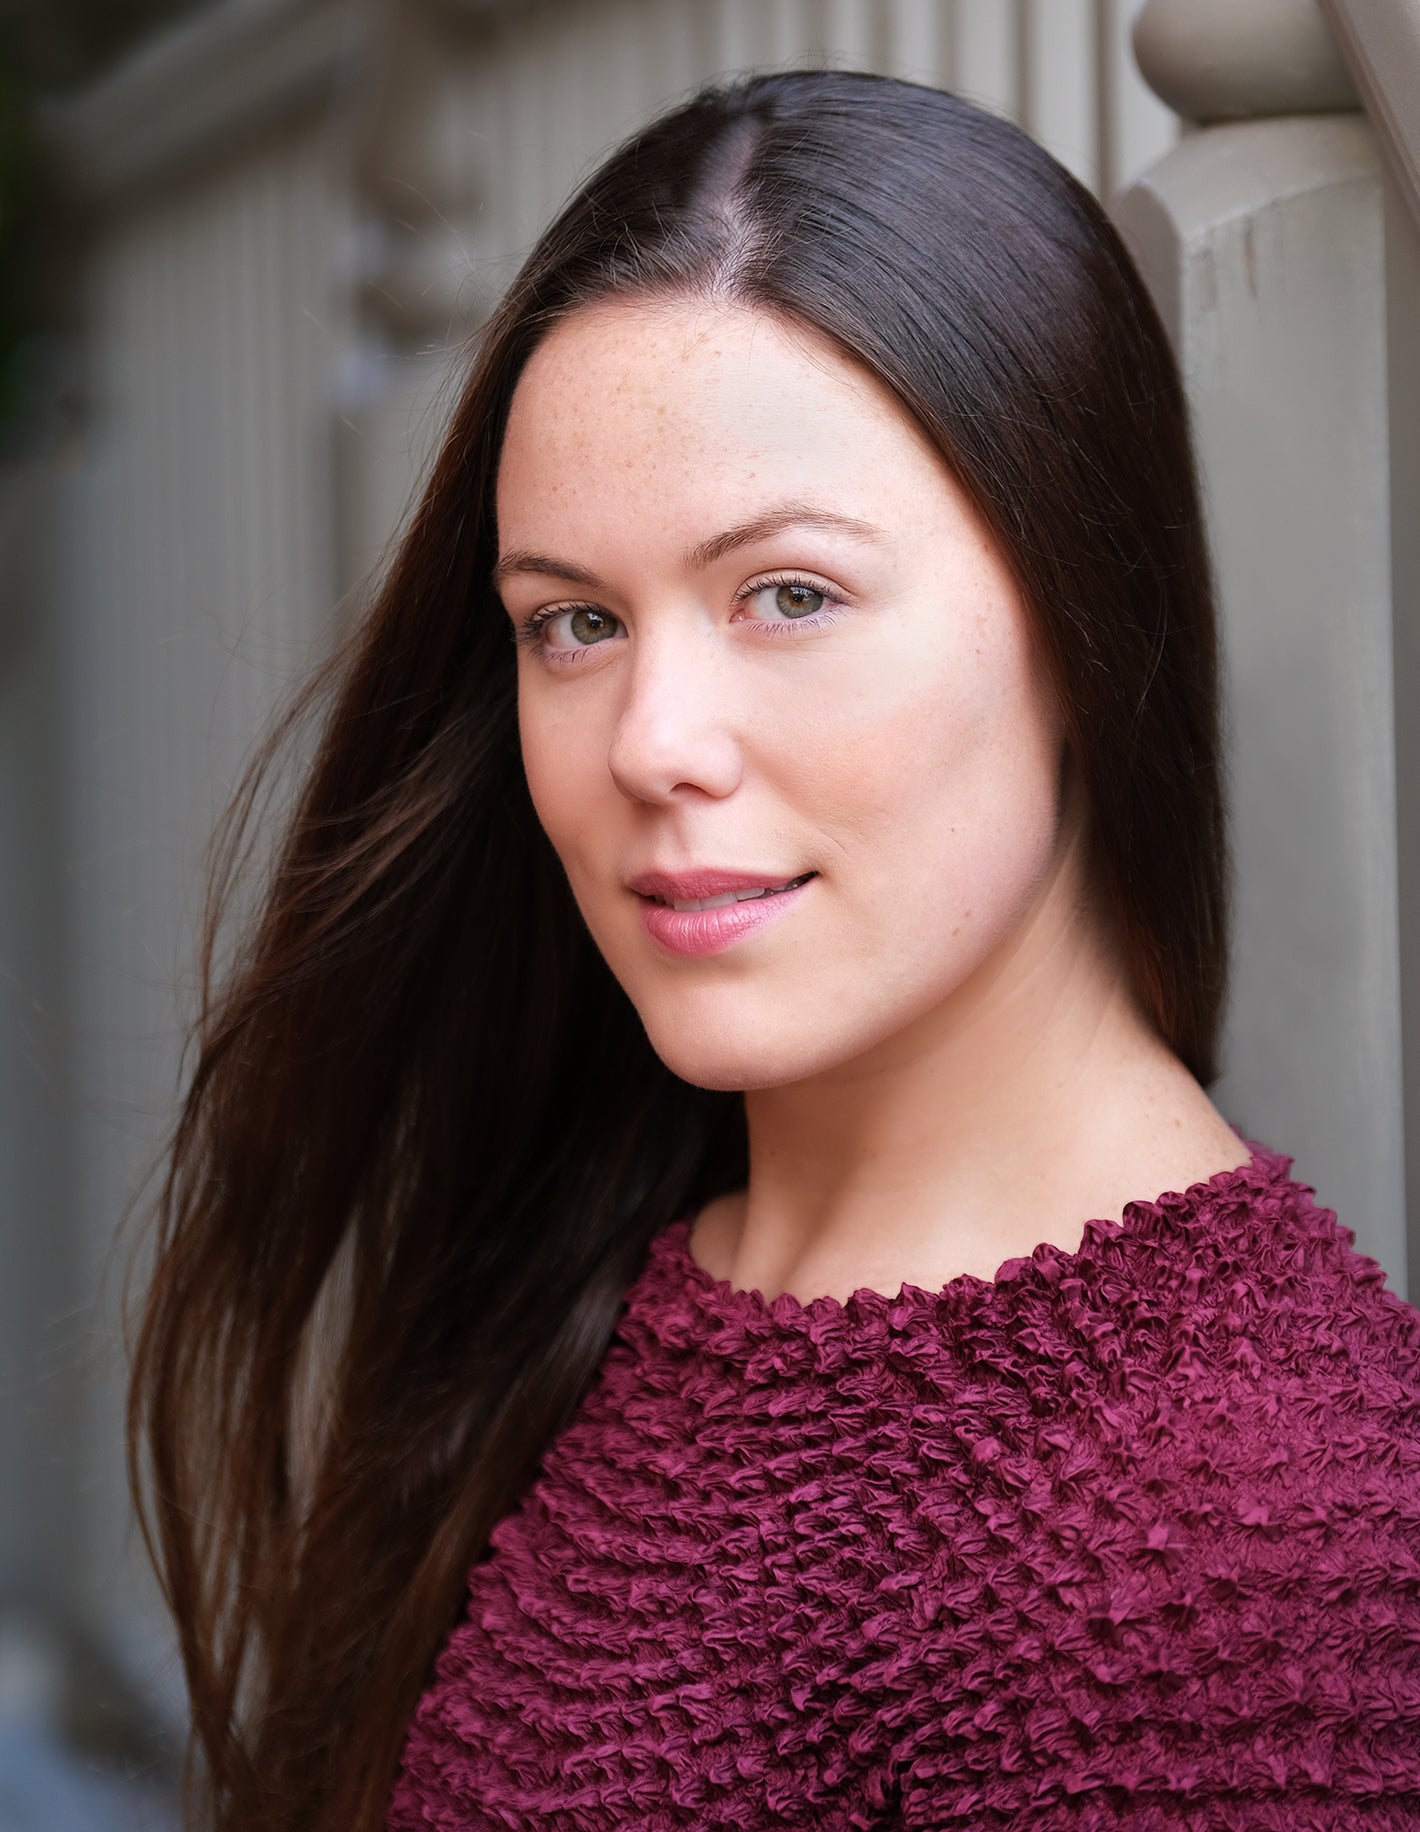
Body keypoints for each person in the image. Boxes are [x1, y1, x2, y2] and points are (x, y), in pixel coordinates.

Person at [127, 67, 1420, 1832]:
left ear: (1079, 606)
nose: (651, 740)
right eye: (572, 622)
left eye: (789, 595)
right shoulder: (600, 1259)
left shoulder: (1235, 1536)